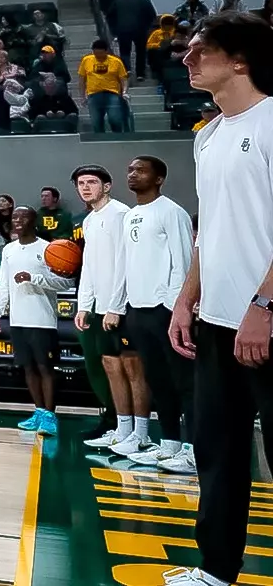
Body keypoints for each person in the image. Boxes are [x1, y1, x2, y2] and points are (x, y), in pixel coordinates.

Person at [168, 12, 273, 586]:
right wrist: (188, 300)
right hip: (217, 321)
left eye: (199, 50)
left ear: (240, 59)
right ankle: (216, 571)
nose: (186, 58)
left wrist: (265, 307)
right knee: (218, 451)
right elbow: (211, 230)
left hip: (267, 321)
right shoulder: (208, 135)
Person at [116, 155, 195, 474]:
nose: (133, 174)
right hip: (139, 309)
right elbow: (126, 265)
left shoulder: (172, 212)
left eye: (140, 170)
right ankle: (170, 445)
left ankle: (192, 450)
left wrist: (176, 306)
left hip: (167, 312)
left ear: (159, 178)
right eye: (130, 169)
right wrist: (123, 304)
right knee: (158, 381)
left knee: (184, 382)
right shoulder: (131, 215)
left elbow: (185, 261)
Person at [71, 164, 150, 457]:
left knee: (132, 369)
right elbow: (89, 266)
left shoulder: (120, 214)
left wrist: (115, 306)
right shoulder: (90, 220)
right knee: (111, 367)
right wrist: (84, 306)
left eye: (92, 182)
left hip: (123, 307)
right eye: (81, 183)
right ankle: (122, 429)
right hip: (101, 307)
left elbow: (124, 263)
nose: (86, 187)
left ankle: (140, 434)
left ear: (107, 186)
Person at [0, 206, 70, 435]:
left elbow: (65, 283)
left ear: (34, 221)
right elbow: (3, 283)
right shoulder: (8, 250)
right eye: (15, 216)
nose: (18, 220)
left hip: (42, 319)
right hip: (18, 319)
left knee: (45, 367)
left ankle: (51, 416)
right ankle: (38, 411)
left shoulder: (49, 248)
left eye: (24, 216)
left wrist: (33, 278)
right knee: (28, 367)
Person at [79, 39, 130, 133]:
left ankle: (118, 138)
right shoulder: (86, 60)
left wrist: (124, 92)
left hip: (112, 94)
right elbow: (82, 79)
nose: (98, 56)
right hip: (93, 94)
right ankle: (100, 143)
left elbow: (123, 78)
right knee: (96, 122)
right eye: (96, 53)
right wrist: (82, 96)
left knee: (115, 119)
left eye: (100, 53)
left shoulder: (116, 61)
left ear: (106, 51)